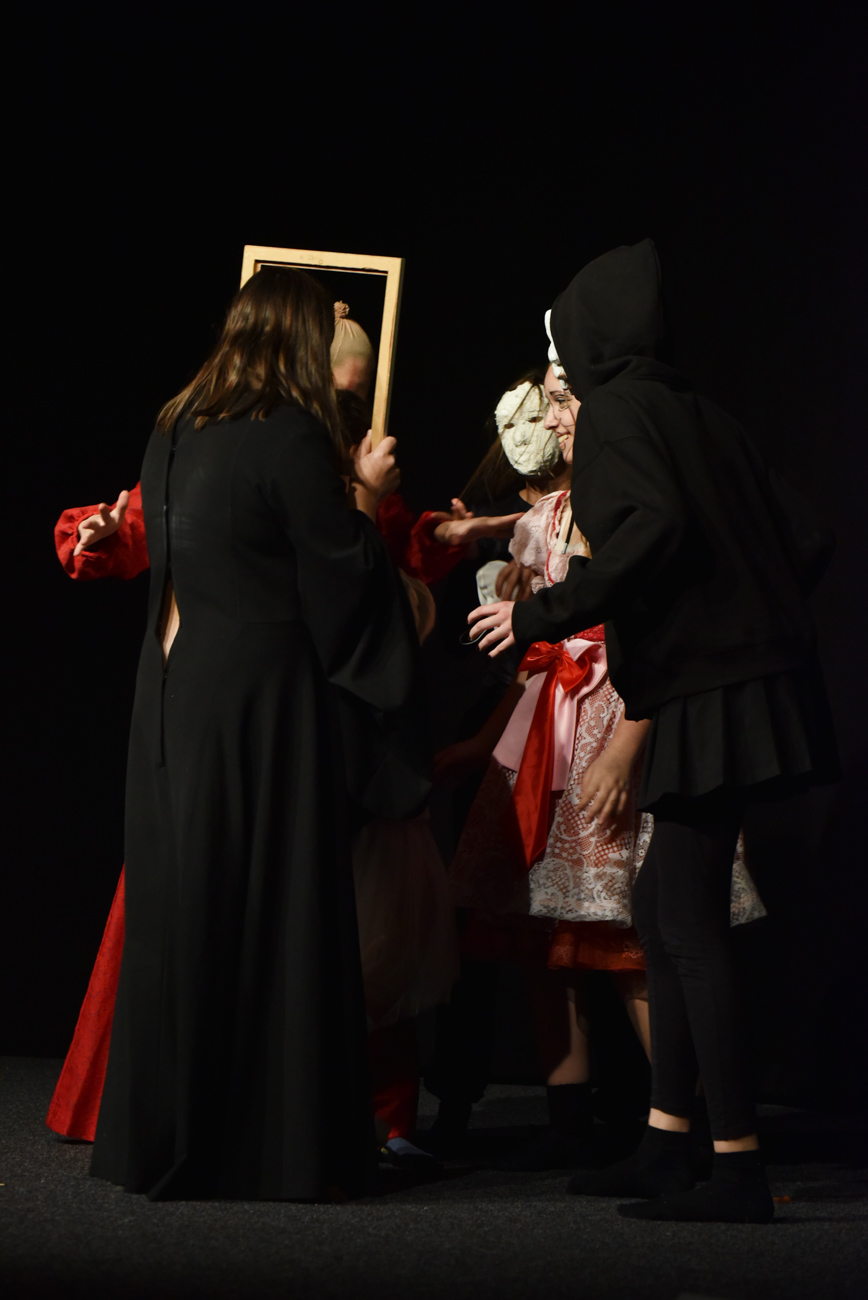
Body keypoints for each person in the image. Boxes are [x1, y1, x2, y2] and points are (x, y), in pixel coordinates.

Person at [468, 240, 838, 1223]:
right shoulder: (701, 413)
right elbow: (807, 536)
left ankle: (735, 1166)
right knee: (660, 901)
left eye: (562, 357)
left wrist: (541, 612)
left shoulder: (622, 410)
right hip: (733, 683)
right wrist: (747, 615)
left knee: (687, 923)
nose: (560, 384)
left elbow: (653, 529)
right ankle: (668, 1143)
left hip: (711, 690)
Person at [88, 266, 428, 1201]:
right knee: (274, 910)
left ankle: (169, 1137)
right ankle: (268, 1148)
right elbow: (339, 584)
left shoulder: (174, 425)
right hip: (262, 703)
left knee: (185, 907)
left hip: (170, 693)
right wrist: (366, 500)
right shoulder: (288, 435)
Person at [442, 367, 764, 1170]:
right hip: (549, 725)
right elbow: (533, 644)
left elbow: (651, 628)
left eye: (561, 405)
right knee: (543, 934)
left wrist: (625, 745)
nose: (553, 423)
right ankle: (571, 1119)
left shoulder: (626, 502)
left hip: (613, 713)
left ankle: (688, 1123)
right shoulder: (543, 517)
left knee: (626, 937)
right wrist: (487, 742)